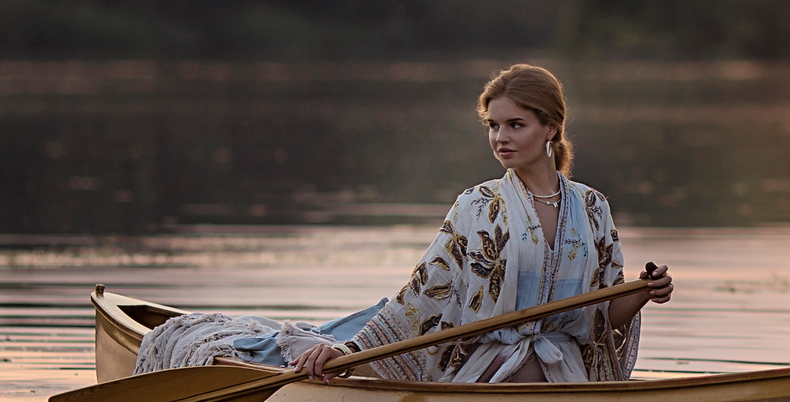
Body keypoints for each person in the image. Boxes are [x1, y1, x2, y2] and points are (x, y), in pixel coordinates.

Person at [133, 64, 672, 384]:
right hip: (487, 372)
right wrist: (349, 352)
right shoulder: (476, 206)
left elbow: (600, 315)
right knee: (332, 346)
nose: (500, 138)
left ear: (551, 128)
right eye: (493, 126)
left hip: (567, 376)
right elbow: (421, 297)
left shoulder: (593, 208)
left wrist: (644, 292)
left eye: (516, 125)